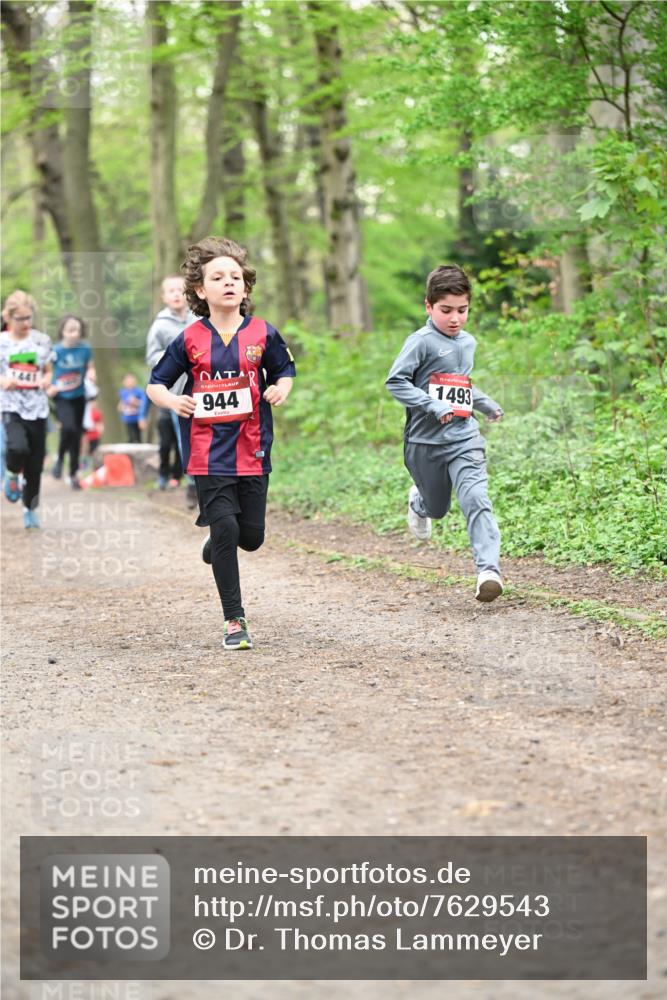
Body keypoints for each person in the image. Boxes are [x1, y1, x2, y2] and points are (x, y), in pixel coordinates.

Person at [147, 236, 296, 650]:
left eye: (236, 277)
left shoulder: (263, 333)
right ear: (200, 289)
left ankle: (217, 540)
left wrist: (281, 389)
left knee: (251, 536)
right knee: (227, 524)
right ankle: (234, 620)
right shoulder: (190, 338)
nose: (228, 283)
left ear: (245, 288)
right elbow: (155, 384)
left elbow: (284, 370)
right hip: (207, 451)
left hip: (254, 446)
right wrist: (174, 400)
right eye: (218, 277)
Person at [385, 264, 504, 602]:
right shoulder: (420, 343)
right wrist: (433, 406)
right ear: (428, 306)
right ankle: (419, 503)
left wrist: (486, 404)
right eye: (446, 310)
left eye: (462, 310)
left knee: (475, 498)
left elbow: (460, 386)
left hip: (464, 438)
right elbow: (395, 382)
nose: (455, 318)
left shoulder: (468, 343)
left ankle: (488, 571)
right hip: (424, 443)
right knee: (438, 508)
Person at [0, 290, 52, 528]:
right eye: (20, 319)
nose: (26, 323)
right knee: (17, 447)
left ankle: (30, 510)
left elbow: (49, 369)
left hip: (38, 407)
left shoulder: (41, 340)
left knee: (34, 463)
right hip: (12, 405)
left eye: (29, 318)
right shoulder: (2, 342)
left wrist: (47, 380)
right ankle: (11, 473)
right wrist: (3, 381)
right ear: (8, 318)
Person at [145, 276, 194, 491]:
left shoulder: (200, 318)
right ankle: (192, 480)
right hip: (175, 392)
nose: (176, 294)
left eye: (180, 290)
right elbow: (152, 356)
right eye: (171, 291)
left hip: (203, 387)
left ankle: (205, 476)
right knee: (183, 437)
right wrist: (174, 356)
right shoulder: (160, 325)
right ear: (164, 297)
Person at [47, 314, 93, 489]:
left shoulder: (85, 349)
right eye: (69, 330)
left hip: (79, 396)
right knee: (68, 428)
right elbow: (48, 370)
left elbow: (89, 366)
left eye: (76, 330)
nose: (73, 334)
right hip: (61, 397)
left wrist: (91, 373)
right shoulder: (56, 351)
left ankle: (73, 474)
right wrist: (50, 385)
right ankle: (59, 458)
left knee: (76, 436)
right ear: (63, 332)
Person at [82, 368, 104, 467]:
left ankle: (95, 465)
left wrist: (100, 431)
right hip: (86, 434)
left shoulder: (96, 412)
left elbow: (100, 424)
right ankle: (84, 465)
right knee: (85, 449)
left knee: (95, 451)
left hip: (94, 435)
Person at [117, 373, 147, 443]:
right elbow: (121, 404)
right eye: (127, 381)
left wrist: (135, 402)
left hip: (137, 418)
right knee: (130, 436)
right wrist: (121, 407)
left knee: (138, 437)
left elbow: (144, 403)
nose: (129, 383)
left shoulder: (139, 391)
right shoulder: (123, 392)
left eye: (131, 381)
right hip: (128, 418)